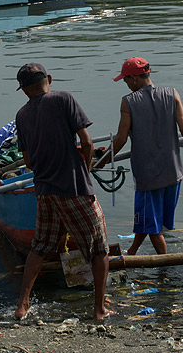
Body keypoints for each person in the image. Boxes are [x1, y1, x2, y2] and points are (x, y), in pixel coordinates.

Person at [14, 62, 114, 320]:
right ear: (49, 79)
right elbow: (87, 141)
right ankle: (99, 308)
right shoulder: (63, 98)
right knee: (100, 248)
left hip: (44, 191)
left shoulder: (22, 115)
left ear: (24, 90)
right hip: (74, 188)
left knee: (39, 246)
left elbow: (28, 162)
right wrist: (86, 169)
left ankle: (22, 305)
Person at [101, 57, 183, 256]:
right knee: (149, 219)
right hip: (174, 173)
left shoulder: (128, 102)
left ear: (135, 79)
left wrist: (99, 163)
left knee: (154, 228)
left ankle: (164, 265)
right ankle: (132, 253)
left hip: (149, 177)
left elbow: (121, 139)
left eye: (126, 80)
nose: (126, 84)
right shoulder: (172, 94)